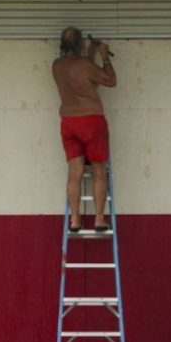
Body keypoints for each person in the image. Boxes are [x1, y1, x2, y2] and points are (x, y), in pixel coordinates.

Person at [52, 26, 116, 232]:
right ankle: (98, 219)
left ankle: (75, 220)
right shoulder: (85, 65)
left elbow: (84, 81)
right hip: (91, 119)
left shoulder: (57, 66)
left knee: (75, 172)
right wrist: (104, 56)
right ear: (80, 44)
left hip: (69, 121)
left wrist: (89, 54)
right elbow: (110, 81)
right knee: (98, 171)